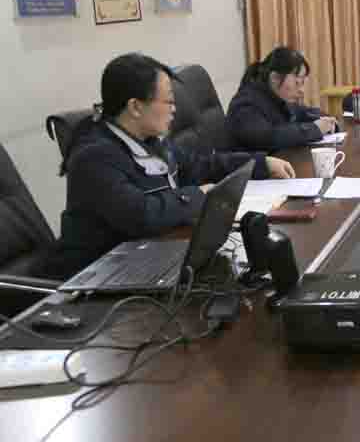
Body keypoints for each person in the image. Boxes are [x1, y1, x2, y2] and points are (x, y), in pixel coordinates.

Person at [48, 54, 295, 280]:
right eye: (168, 101)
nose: (174, 109)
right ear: (135, 107)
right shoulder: (94, 157)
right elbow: (141, 214)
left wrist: (260, 163)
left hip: (148, 258)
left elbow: (201, 165)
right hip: (99, 278)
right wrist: (198, 195)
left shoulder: (151, 142)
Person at [227, 47, 339, 152]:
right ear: (275, 78)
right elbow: (268, 138)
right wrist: (314, 129)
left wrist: (325, 120)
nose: (302, 90)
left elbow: (302, 112)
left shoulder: (277, 97)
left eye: (302, 83)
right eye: (297, 83)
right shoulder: (246, 104)